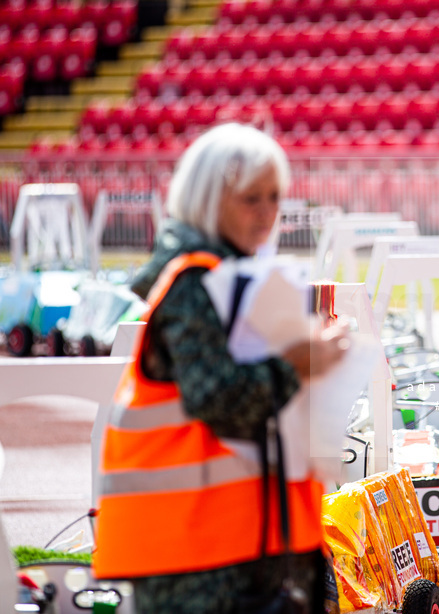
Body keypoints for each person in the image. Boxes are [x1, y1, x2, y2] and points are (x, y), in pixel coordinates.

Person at [92, 123, 349, 614]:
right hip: (194, 560)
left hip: (236, 545)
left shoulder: (232, 276)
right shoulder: (194, 282)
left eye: (275, 197)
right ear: (209, 199)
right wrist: (298, 362)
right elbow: (223, 401)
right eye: (251, 198)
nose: (267, 213)